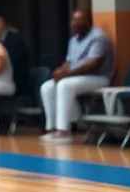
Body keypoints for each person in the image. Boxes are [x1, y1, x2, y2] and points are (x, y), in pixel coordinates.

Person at [40, 9, 114, 144]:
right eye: (73, 20)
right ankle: (51, 129)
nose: (74, 24)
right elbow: (69, 63)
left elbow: (93, 64)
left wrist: (67, 75)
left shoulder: (98, 37)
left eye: (78, 20)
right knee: (47, 86)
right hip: (76, 78)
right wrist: (61, 71)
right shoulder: (73, 40)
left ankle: (64, 131)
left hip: (99, 78)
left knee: (64, 85)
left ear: (89, 22)